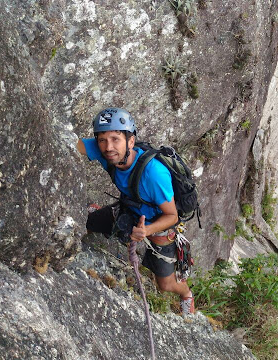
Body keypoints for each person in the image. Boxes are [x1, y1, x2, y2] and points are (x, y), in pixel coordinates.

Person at [77, 107, 195, 315]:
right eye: (102, 139)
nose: (108, 147)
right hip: (129, 210)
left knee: (165, 285)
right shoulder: (105, 151)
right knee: (87, 223)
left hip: (158, 226)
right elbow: (70, 144)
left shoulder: (154, 175)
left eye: (115, 139)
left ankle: (186, 294)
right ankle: (99, 214)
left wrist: (146, 232)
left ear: (130, 142)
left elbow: (172, 216)